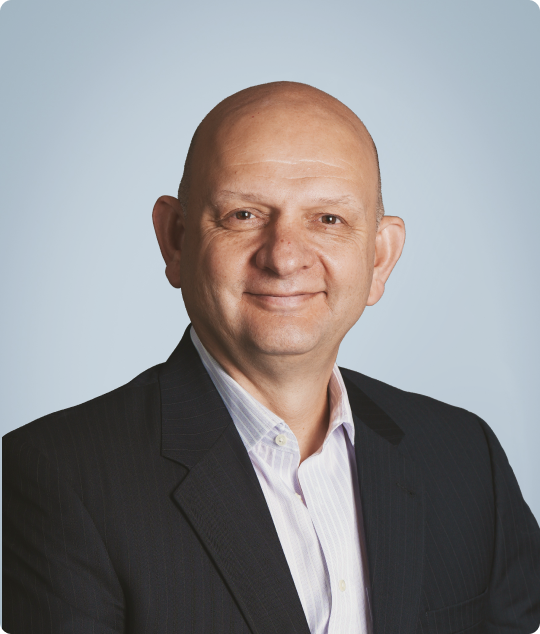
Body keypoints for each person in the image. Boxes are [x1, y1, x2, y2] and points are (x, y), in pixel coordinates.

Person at [2, 81, 539, 634]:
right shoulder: (59, 478)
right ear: (176, 240)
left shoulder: (464, 457)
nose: (284, 257)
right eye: (243, 214)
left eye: (328, 219)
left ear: (379, 258)